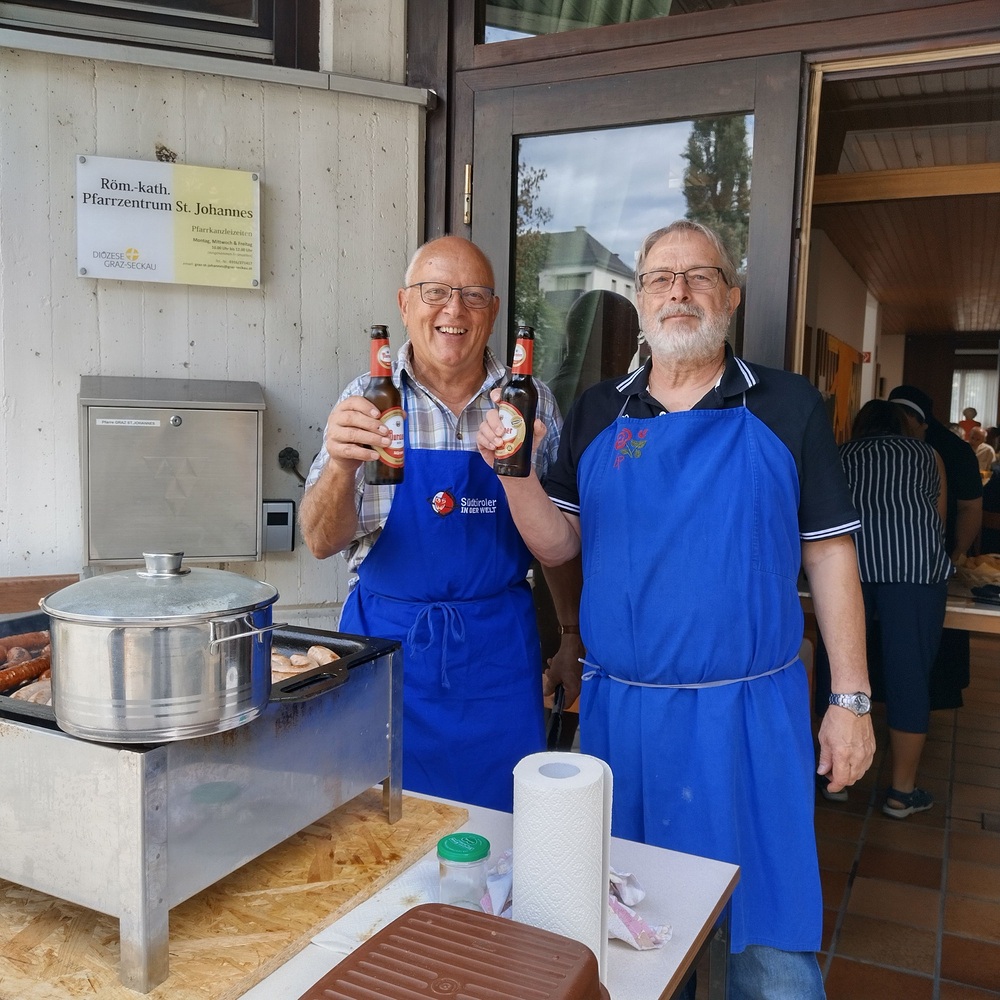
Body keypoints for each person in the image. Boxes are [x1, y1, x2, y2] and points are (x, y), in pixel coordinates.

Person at [477, 219, 875, 999]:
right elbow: (557, 546)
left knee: (772, 956)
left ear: (731, 296)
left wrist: (851, 699)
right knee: (633, 944)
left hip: (752, 719)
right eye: (661, 278)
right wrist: (514, 473)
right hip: (624, 722)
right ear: (640, 299)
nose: (679, 291)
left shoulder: (788, 405)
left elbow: (830, 554)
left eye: (699, 276)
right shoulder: (599, 411)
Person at [299, 235, 584, 812]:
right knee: (380, 829)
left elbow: (556, 541)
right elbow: (320, 541)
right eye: (435, 292)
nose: (454, 309)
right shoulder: (366, 399)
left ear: (493, 311)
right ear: (405, 304)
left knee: (506, 829)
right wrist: (341, 467)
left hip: (498, 656)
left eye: (473, 295)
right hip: (386, 653)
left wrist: (571, 635)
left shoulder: (530, 403)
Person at [837, 399, 950, 819]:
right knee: (909, 676)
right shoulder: (928, 454)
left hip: (850, 568)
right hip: (915, 570)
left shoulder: (841, 455)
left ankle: (835, 780)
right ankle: (902, 792)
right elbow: (938, 519)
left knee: (841, 670)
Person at [887, 384, 983, 709]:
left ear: (918, 420)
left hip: (923, 552)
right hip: (924, 556)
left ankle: (922, 699)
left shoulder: (950, 450)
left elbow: (969, 508)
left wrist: (954, 555)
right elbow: (971, 508)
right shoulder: (950, 447)